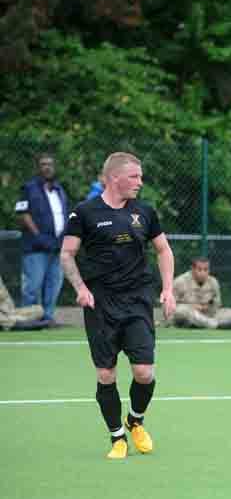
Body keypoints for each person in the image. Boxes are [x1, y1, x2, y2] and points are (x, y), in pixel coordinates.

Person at [60, 152, 176, 459]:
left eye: (140, 176)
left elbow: (163, 251)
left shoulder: (145, 212)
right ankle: (117, 438)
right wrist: (81, 288)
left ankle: (135, 421)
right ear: (115, 178)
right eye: (134, 177)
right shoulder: (84, 212)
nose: (140, 182)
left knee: (144, 373)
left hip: (137, 299)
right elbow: (67, 254)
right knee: (106, 375)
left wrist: (168, 289)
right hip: (100, 303)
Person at [15, 152, 69, 323]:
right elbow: (22, 213)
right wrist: (38, 236)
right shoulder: (28, 188)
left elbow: (65, 215)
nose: (47, 167)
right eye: (43, 164)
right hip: (35, 246)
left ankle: (47, 318)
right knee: (33, 285)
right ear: (38, 168)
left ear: (54, 167)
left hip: (57, 246)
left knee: (54, 284)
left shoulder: (60, 190)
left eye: (50, 164)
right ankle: (29, 320)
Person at [172, 257, 231, 330]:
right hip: (190, 315)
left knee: (229, 313)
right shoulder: (180, 282)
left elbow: (217, 304)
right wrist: (192, 307)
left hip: (208, 314)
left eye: (206, 269)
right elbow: (171, 305)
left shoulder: (213, 282)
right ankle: (216, 325)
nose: (203, 273)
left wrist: (207, 307)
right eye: (199, 269)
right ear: (192, 269)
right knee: (181, 311)